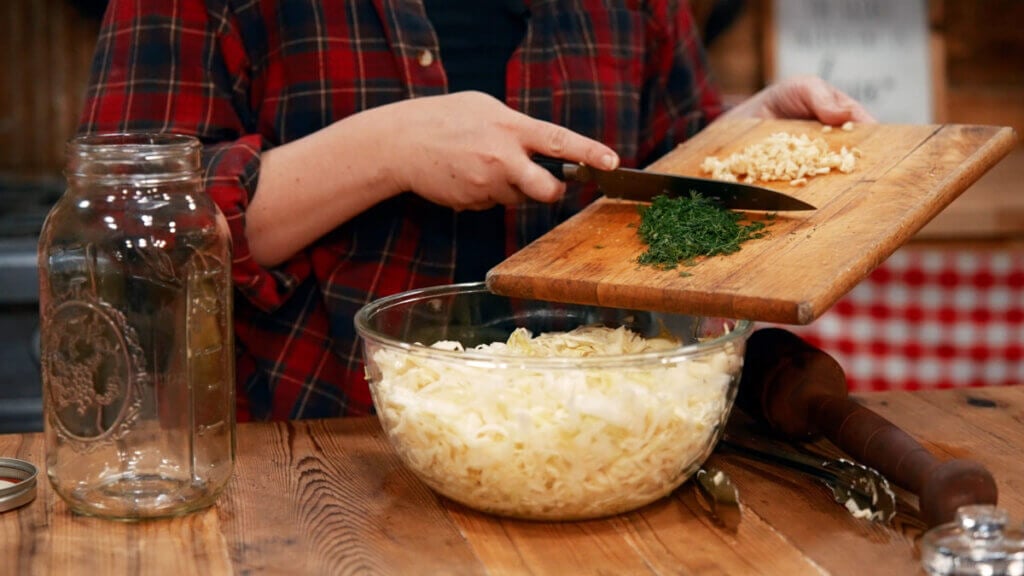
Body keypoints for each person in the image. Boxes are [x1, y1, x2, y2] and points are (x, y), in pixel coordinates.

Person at [78, 0, 873, 421]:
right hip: (307, 472)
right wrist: (389, 147)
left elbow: (659, 195)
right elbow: (117, 238)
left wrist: (742, 142)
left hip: (598, 447)